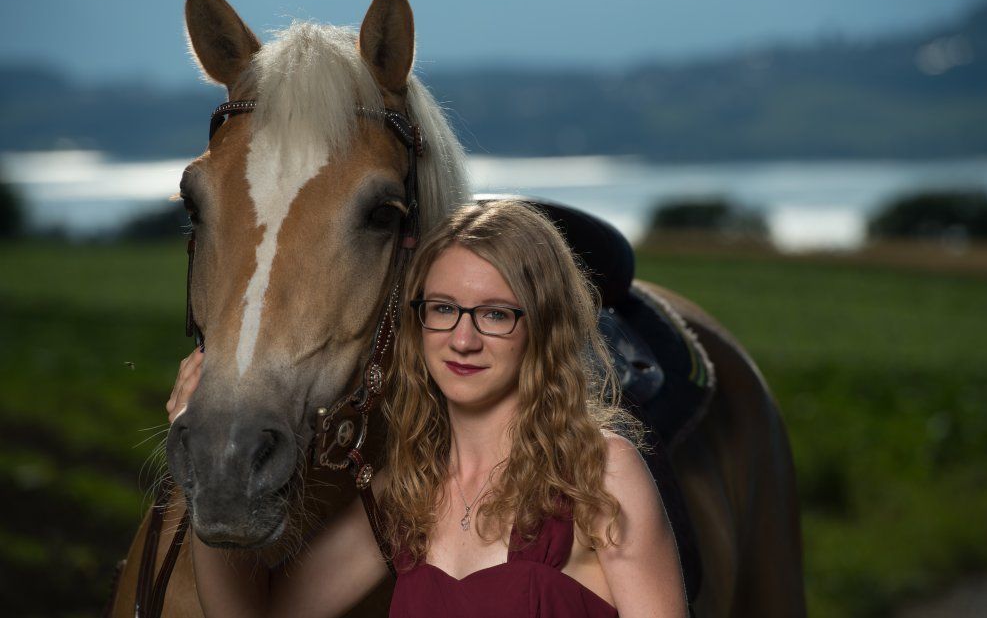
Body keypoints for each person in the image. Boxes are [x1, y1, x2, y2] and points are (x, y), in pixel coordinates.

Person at [167, 200, 687, 617]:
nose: (462, 339)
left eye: (495, 314)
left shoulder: (600, 471)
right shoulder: (406, 490)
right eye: (442, 309)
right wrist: (203, 471)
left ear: (543, 328)